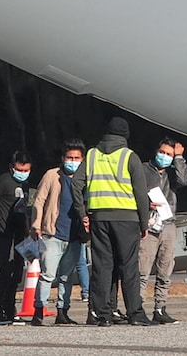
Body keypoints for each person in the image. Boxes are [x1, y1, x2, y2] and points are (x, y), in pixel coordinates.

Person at [72, 116, 157, 326]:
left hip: (99, 218)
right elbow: (139, 192)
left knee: (102, 267)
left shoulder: (91, 155)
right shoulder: (129, 156)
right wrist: (144, 223)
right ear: (125, 136)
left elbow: (75, 184)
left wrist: (83, 212)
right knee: (128, 267)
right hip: (127, 219)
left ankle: (103, 315)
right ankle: (135, 313)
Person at [30, 139, 88, 326]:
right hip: (53, 234)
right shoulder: (52, 175)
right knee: (47, 275)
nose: (73, 161)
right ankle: (39, 310)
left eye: (77, 158)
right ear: (63, 158)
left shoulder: (86, 177)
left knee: (66, 276)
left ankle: (63, 311)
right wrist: (36, 225)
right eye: (69, 157)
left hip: (75, 236)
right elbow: (39, 200)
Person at [140, 137, 187, 324]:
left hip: (168, 223)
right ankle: (137, 307)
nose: (164, 157)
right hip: (149, 223)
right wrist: (146, 205)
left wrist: (179, 158)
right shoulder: (144, 170)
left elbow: (184, 181)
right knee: (142, 268)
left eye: (169, 154)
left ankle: (160, 309)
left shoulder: (172, 173)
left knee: (165, 269)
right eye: (162, 153)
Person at [0, 151, 32, 325]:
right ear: (12, 167)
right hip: (3, 234)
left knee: (17, 274)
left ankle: (10, 310)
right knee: (5, 272)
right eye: (20, 169)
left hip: (19, 235)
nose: (23, 172)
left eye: (26, 169)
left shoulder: (25, 184)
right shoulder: (4, 181)